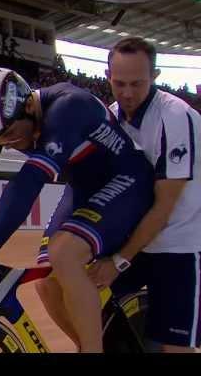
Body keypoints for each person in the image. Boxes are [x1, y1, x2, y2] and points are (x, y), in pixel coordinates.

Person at [0, 67, 155, 351]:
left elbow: (30, 181)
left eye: (9, 136)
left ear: (29, 106)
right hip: (83, 188)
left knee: (64, 253)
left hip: (127, 181)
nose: (5, 144)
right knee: (46, 282)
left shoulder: (69, 106)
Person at [39, 37, 200, 353]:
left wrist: (120, 261)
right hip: (137, 239)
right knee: (51, 286)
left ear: (154, 76)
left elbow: (165, 206)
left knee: (173, 348)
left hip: (180, 244)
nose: (127, 93)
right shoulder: (107, 115)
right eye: (119, 83)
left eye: (137, 84)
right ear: (107, 76)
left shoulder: (174, 118)